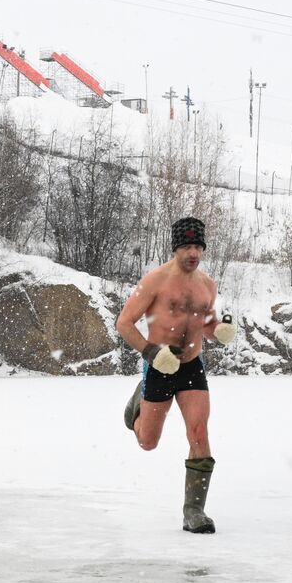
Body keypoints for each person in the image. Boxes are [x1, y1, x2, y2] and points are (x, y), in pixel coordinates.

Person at [117, 217, 238, 533]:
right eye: (186, 245)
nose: (192, 251)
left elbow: (207, 324)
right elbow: (124, 323)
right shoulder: (155, 281)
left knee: (198, 433)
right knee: (147, 443)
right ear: (175, 248)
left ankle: (194, 512)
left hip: (191, 366)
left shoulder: (207, 285)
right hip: (159, 365)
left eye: (197, 245)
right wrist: (150, 353)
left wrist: (220, 330)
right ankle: (138, 404)